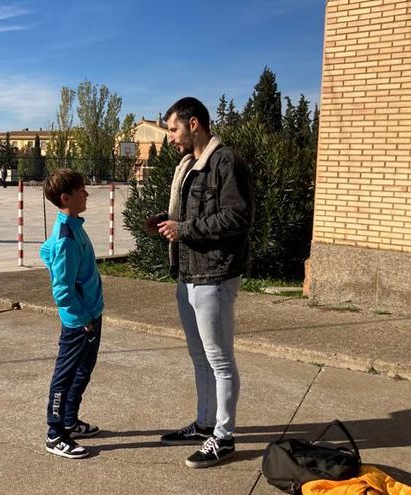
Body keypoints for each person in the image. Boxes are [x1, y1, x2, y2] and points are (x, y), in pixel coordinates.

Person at [145, 97, 253, 469]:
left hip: (215, 275)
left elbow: (237, 217)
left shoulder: (225, 162)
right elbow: (193, 215)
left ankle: (224, 437)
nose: (170, 136)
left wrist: (184, 229)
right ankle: (205, 422)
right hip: (189, 272)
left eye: (173, 128)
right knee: (199, 358)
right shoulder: (189, 164)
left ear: (194, 125)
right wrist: (166, 222)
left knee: (220, 360)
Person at [39, 168, 104, 460]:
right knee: (65, 376)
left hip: (91, 315)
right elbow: (62, 290)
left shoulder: (72, 226)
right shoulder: (66, 237)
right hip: (80, 322)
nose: (86, 194)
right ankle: (55, 433)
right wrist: (84, 317)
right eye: (82, 190)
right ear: (66, 197)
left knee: (83, 371)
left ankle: (69, 420)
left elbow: (44, 250)